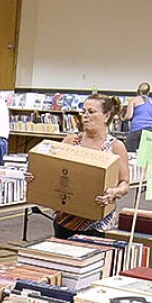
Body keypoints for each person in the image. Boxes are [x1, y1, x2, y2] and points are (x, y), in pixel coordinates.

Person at [48, 94, 131, 239]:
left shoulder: (115, 147)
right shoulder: (71, 140)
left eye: (91, 112)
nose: (85, 116)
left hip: (97, 222)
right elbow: (53, 171)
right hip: (65, 219)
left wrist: (114, 192)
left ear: (106, 116)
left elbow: (125, 183)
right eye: (83, 111)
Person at [125, 83, 152, 151]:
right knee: (146, 155)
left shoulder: (133, 100)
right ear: (148, 92)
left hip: (137, 129)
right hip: (151, 131)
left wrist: (122, 118)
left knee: (130, 153)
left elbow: (128, 116)